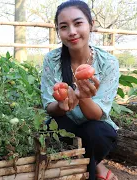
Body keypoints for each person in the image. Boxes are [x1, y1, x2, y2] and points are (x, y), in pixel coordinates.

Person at [40, 0, 119, 180]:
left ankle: (90, 165)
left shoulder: (108, 63)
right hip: (65, 124)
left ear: (91, 25)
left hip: (96, 128)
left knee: (97, 133)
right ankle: (96, 165)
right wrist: (62, 105)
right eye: (64, 27)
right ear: (58, 32)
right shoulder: (52, 60)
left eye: (78, 23)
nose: (72, 32)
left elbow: (97, 115)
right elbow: (49, 107)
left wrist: (82, 97)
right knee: (51, 128)